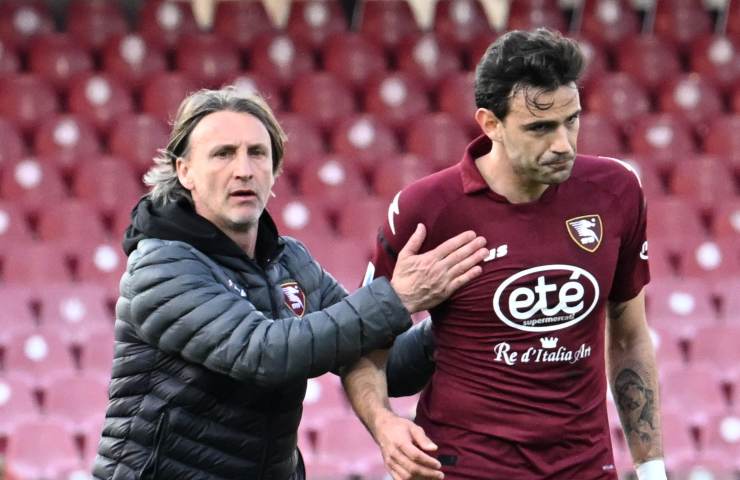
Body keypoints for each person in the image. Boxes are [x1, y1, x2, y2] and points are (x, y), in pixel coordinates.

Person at [91, 87, 489, 480]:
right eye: (223, 154)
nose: (243, 169)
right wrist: (398, 297)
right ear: (185, 171)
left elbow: (382, 359)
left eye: (257, 153)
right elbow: (262, 353)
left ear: (275, 168)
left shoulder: (289, 260)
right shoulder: (162, 265)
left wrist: (455, 314)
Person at [342, 28, 666, 480]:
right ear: (490, 124)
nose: (563, 144)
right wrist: (384, 425)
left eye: (571, 120)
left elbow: (629, 337)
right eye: (540, 127)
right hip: (465, 467)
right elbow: (360, 345)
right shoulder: (427, 209)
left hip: (585, 467)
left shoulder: (616, 192)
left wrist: (652, 469)